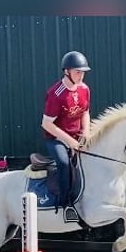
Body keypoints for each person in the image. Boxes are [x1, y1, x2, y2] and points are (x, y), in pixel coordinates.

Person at [40, 50, 91, 223]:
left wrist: (86, 132)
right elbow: (47, 124)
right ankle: (66, 203)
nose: (81, 75)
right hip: (56, 139)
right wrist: (69, 141)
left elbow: (86, 112)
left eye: (83, 72)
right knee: (63, 163)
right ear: (66, 71)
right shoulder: (56, 94)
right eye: (78, 72)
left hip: (77, 136)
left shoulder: (84, 89)